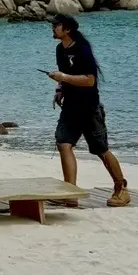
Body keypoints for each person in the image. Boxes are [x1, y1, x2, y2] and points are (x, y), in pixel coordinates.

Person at [45, 13, 130, 207]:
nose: (53, 28)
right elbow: (65, 74)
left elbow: (90, 80)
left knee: (101, 149)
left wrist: (63, 77)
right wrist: (59, 89)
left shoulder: (82, 49)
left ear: (67, 29)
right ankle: (70, 193)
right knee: (63, 143)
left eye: (56, 25)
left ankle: (121, 189)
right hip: (70, 107)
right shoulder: (60, 49)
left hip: (88, 107)